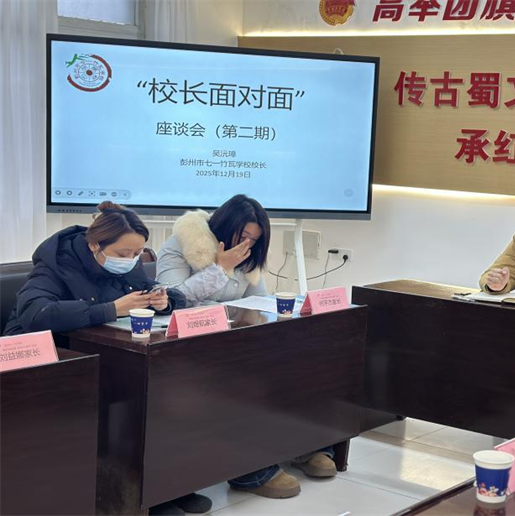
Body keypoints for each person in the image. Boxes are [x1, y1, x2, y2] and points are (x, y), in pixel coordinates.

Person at [156, 194, 337, 505]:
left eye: (255, 239)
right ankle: (249, 472)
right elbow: (171, 302)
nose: (247, 245)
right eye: (243, 236)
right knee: (248, 380)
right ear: (225, 226)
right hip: (188, 350)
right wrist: (220, 268)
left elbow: (258, 302)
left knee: (302, 362)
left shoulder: (248, 256)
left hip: (233, 342)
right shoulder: (181, 245)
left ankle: (305, 445)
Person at [3, 201, 185, 336]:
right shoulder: (58, 263)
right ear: (94, 245)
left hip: (98, 347)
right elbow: (36, 314)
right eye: (122, 254)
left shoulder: (131, 264)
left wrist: (163, 302)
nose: (130, 260)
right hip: (39, 354)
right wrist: (111, 310)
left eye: (137, 253)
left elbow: (172, 295)